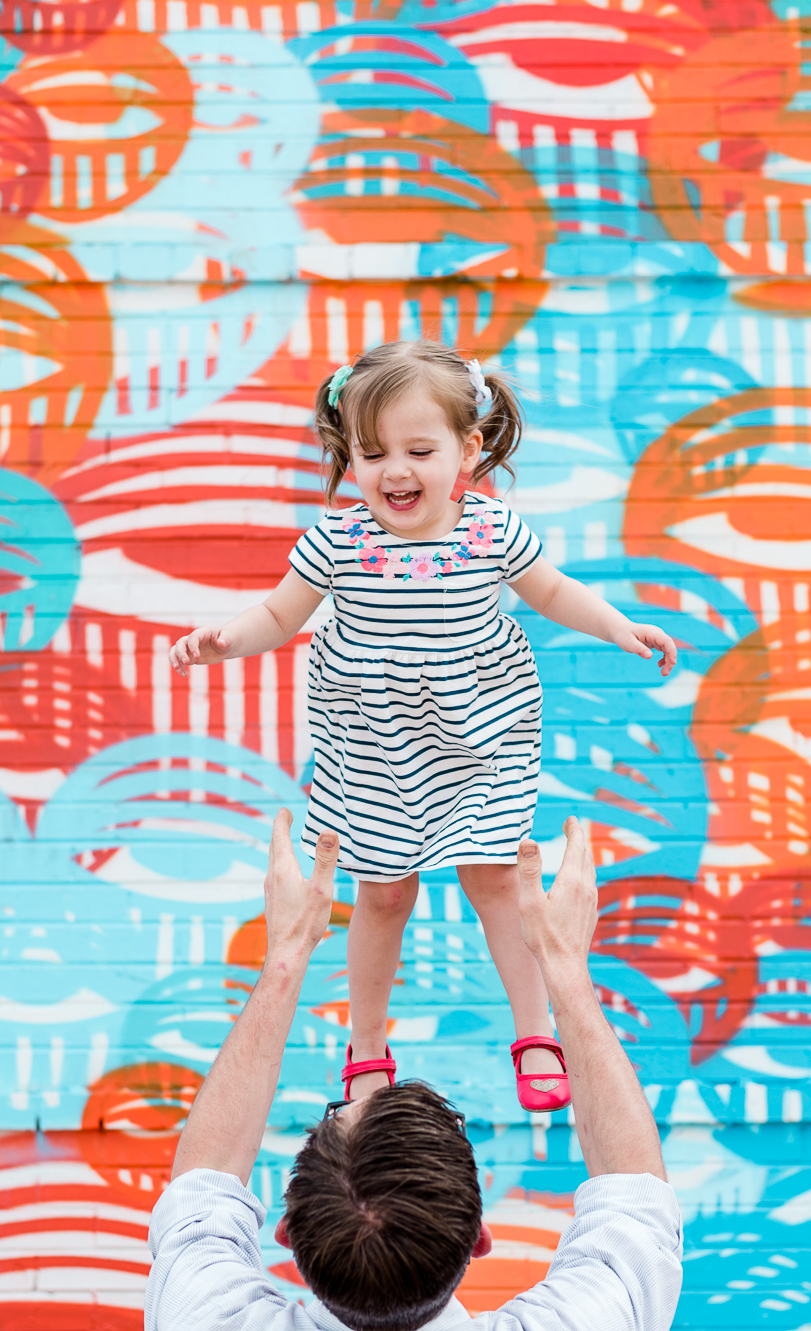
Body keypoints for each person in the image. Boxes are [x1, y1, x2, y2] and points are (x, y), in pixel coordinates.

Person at [145, 810, 683, 1331]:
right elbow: (635, 1197)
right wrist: (564, 969)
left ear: (287, 1235)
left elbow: (202, 1183)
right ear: (481, 1243)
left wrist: (287, 956)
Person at [168, 340, 677, 1113]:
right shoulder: (337, 542)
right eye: (371, 454)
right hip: (375, 745)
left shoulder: (490, 531)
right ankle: (367, 1046)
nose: (393, 471)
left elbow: (553, 593)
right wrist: (224, 640)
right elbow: (278, 615)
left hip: (477, 739)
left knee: (499, 878)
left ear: (467, 450)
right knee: (381, 897)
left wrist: (618, 627)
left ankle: (535, 1030)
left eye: (418, 449)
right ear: (349, 459)